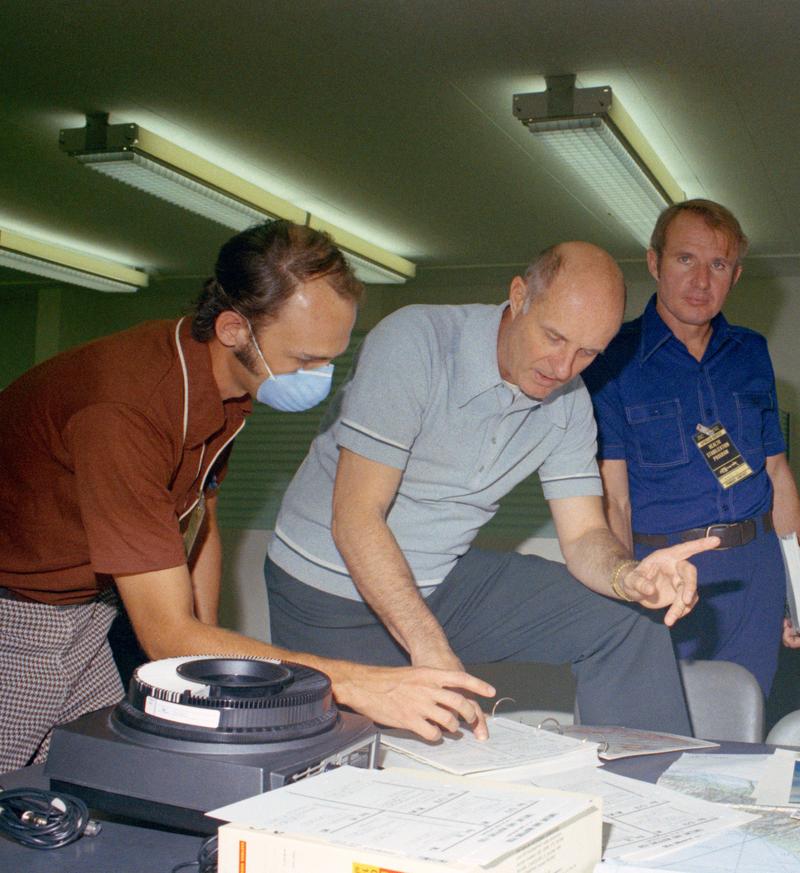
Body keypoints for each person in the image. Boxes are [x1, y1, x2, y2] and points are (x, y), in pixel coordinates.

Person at [0, 220, 496, 772]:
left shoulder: (221, 386)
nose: (318, 376)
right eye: (305, 360)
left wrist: (202, 643)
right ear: (235, 328)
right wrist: (358, 683)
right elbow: (165, 635)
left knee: (91, 774)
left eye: (329, 359)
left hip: (87, 612)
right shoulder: (127, 412)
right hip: (17, 614)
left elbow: (196, 508)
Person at [265, 241, 715, 738]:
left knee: (626, 619)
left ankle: (645, 796)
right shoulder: (418, 341)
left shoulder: (568, 403)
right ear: (519, 296)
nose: (563, 368)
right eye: (554, 337)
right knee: (399, 757)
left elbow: (586, 534)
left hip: (440, 580)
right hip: (327, 590)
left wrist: (630, 578)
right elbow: (355, 517)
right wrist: (429, 648)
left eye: (588, 352)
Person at [582, 200, 800, 697]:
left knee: (745, 721)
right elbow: (613, 498)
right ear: (654, 262)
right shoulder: (612, 359)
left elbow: (778, 476)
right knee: (665, 724)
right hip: (666, 572)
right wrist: (624, 596)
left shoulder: (752, 352)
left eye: (718, 265)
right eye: (686, 259)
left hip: (756, 572)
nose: (701, 281)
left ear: (736, 274)